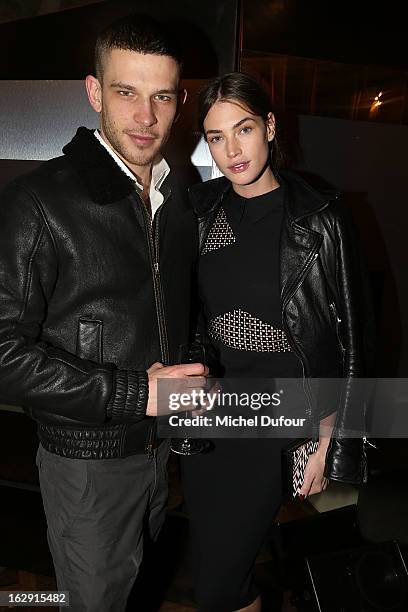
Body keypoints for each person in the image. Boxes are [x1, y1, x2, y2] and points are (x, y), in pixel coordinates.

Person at [0, 14, 207, 612]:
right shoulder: (38, 202)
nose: (145, 118)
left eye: (160, 96)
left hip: (158, 453)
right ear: (94, 93)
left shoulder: (178, 195)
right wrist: (130, 396)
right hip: (85, 461)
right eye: (126, 93)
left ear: (179, 100)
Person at [181, 72, 372, 612]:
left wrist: (331, 433)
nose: (231, 150)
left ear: (269, 126)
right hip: (211, 414)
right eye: (216, 137)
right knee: (220, 570)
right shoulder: (200, 213)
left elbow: (356, 336)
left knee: (218, 583)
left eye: (243, 129)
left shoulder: (321, 216)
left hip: (282, 414)